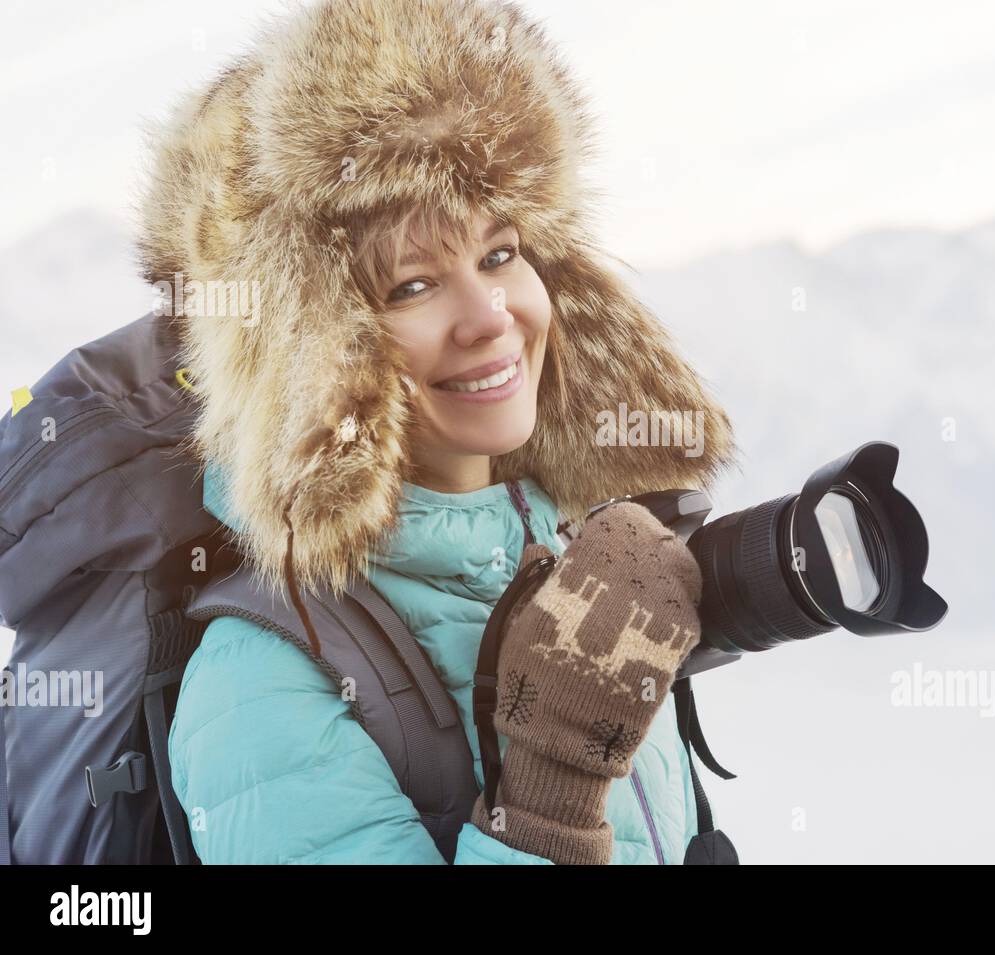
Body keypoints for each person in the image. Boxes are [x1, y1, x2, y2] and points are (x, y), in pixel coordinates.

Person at [145, 0, 738, 864]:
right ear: (312, 354)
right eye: (411, 286)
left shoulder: (580, 571)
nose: (490, 318)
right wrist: (551, 799)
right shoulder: (260, 687)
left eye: (500, 255)